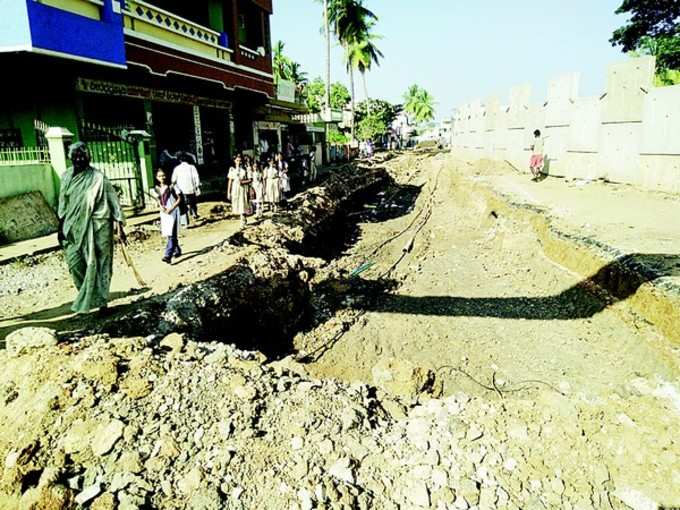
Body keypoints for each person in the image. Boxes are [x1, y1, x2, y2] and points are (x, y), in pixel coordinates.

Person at [57, 142, 126, 314]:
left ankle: (102, 303)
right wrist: (60, 227)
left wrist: (119, 225)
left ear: (89, 157)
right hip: (72, 227)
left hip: (97, 227)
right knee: (75, 264)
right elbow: (63, 204)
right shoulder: (65, 176)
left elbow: (113, 200)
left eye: (82, 156)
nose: (79, 159)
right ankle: (87, 297)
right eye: (76, 156)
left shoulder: (98, 177)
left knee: (100, 263)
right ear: (71, 158)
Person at [153, 168, 183, 263]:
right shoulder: (157, 188)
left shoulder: (172, 186)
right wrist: (161, 207)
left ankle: (168, 255)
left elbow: (179, 199)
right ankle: (177, 249)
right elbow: (158, 200)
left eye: (163, 175)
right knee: (169, 233)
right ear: (156, 177)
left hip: (173, 211)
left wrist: (171, 208)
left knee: (172, 234)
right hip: (164, 213)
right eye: (159, 176)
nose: (162, 177)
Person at [172, 152, 201, 220]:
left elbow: (173, 180)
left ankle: (186, 215)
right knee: (193, 201)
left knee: (184, 202)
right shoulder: (192, 167)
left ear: (179, 160)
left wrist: (175, 187)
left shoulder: (177, 168)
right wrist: (197, 186)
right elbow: (196, 177)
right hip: (191, 188)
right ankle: (194, 213)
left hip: (181, 189)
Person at [228, 155, 252, 228]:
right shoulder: (232, 170)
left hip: (243, 188)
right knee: (237, 203)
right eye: (237, 161)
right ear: (234, 161)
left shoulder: (244, 170)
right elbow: (230, 181)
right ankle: (242, 218)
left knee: (243, 202)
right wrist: (228, 192)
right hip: (235, 188)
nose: (239, 162)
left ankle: (243, 219)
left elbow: (250, 179)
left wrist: (244, 182)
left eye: (240, 161)